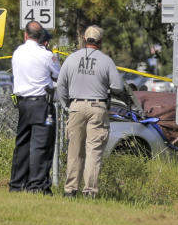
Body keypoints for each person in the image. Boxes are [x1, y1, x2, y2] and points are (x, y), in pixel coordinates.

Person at [57, 25, 133, 197]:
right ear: (100, 41)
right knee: (94, 150)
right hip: (97, 107)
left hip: (75, 106)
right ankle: (90, 191)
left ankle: (70, 189)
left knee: (74, 150)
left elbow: (61, 85)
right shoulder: (106, 61)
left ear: (84, 39)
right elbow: (118, 86)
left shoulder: (71, 59)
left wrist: (66, 105)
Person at [9, 21, 61, 194]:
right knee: (41, 145)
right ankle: (37, 186)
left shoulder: (17, 53)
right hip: (41, 103)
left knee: (22, 144)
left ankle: (17, 185)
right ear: (41, 38)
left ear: (26, 35)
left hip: (21, 103)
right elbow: (58, 75)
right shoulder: (47, 56)